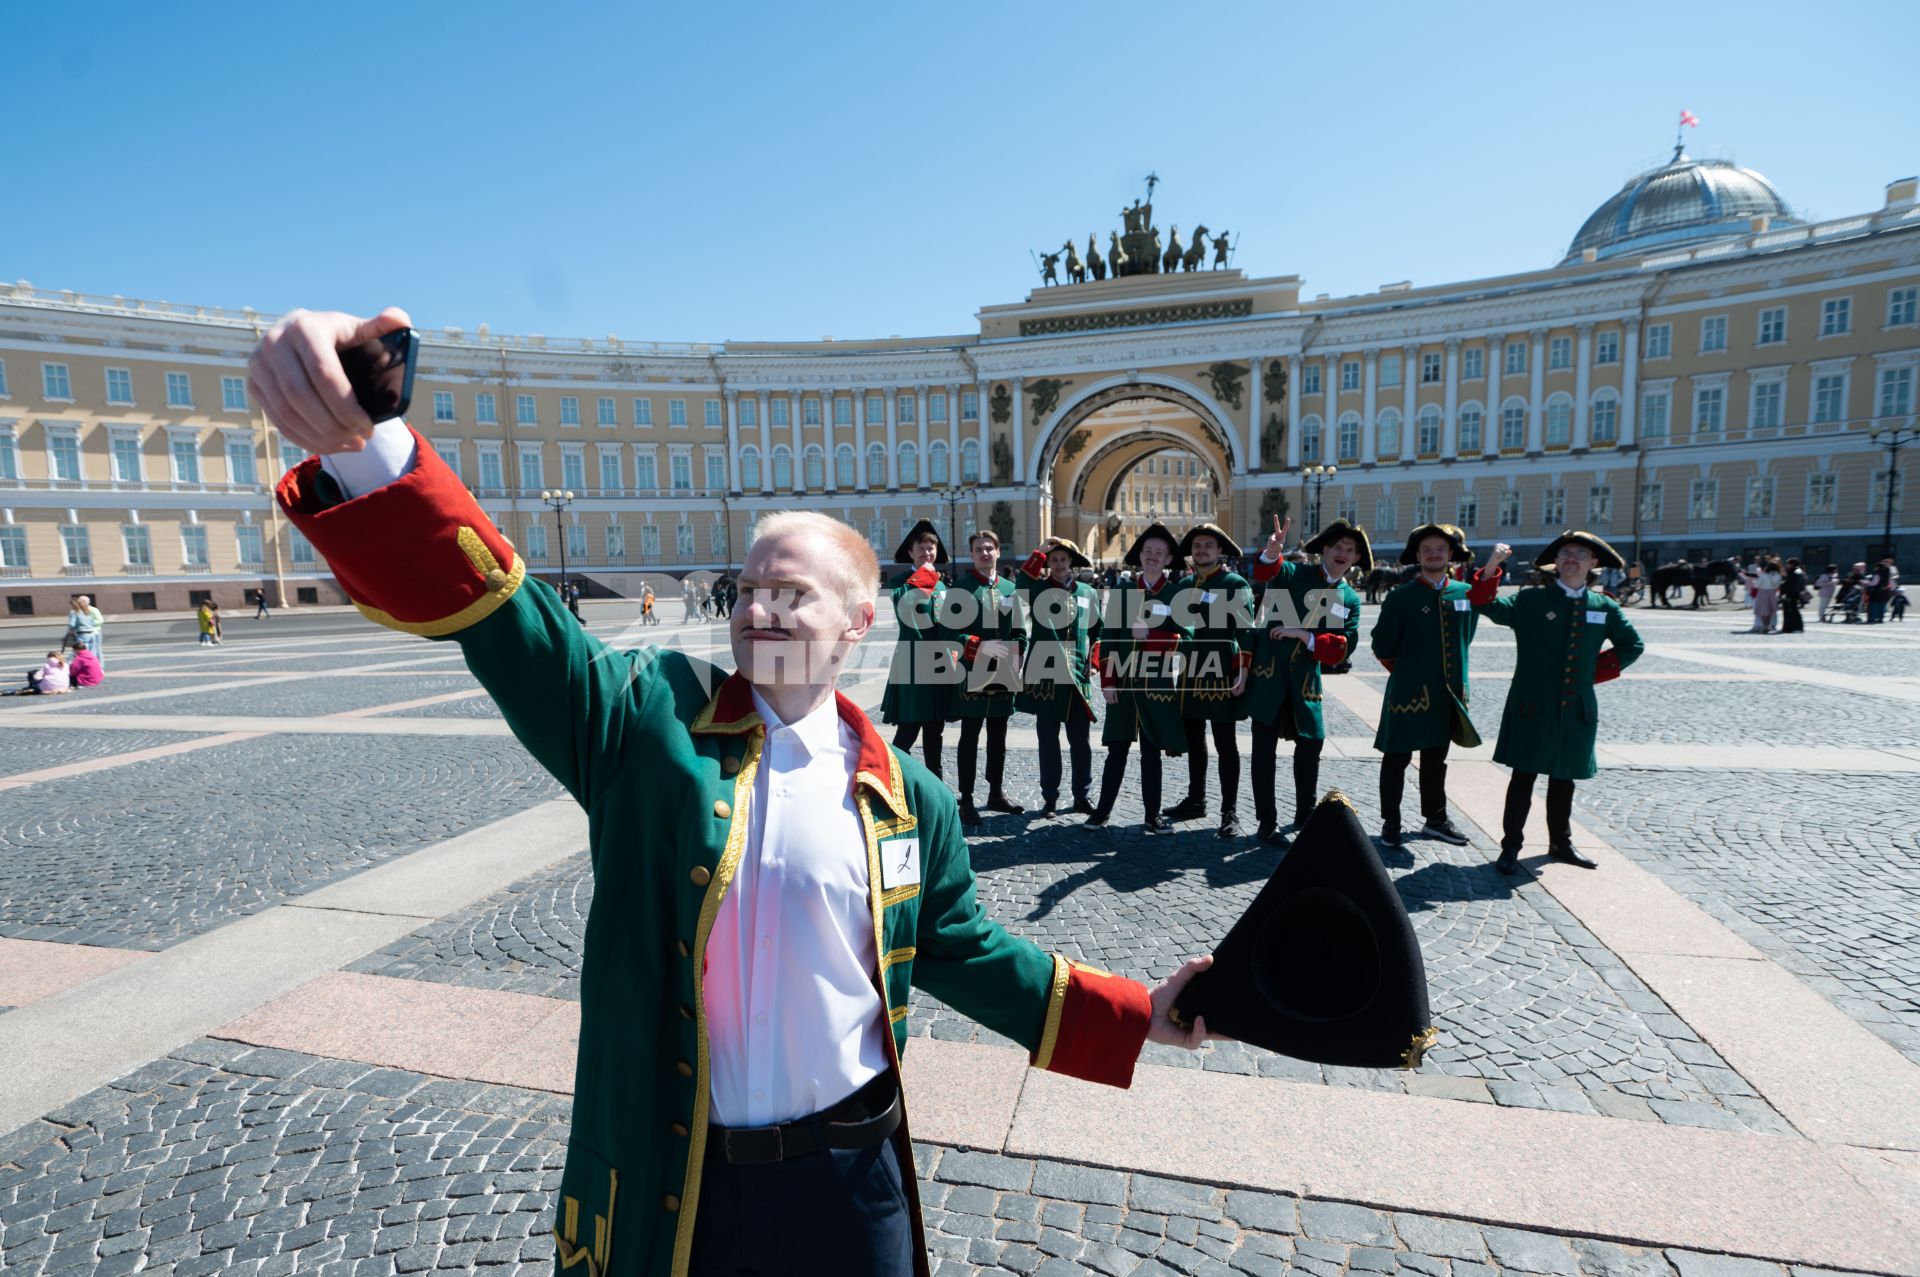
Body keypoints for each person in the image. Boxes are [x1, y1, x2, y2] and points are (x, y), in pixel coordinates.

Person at [248, 304, 1220, 1277]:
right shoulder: (646, 719)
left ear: (857, 620)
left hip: (853, 1178)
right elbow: (512, 623)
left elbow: (966, 952)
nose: (759, 606)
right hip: (682, 1184)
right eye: (748, 585)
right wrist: (369, 443)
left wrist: (1139, 1012)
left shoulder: (909, 793)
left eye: (791, 591)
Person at [1471, 533, 1646, 875]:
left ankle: (1560, 843)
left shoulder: (1603, 606)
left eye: (1581, 554)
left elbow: (1632, 646)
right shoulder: (1532, 600)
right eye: (1566, 552)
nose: (1572, 558)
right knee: (1523, 779)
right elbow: (1485, 604)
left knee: (1564, 779)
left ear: (1593, 563)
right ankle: (1510, 847)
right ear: (1556, 561)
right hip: (1532, 705)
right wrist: (1492, 566)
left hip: (1576, 708)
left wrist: (1588, 674)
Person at [1244, 516, 1362, 847]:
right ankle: (1266, 823)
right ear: (1323, 549)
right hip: (1269, 678)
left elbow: (1341, 647)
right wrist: (1272, 552)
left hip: (1306, 684)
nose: (1342, 553)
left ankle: (1305, 816)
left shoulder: (1349, 598)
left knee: (1311, 746)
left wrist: (1302, 634)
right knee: (1263, 752)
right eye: (1337, 547)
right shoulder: (1298, 573)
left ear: (1355, 559)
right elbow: (1268, 572)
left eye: (1349, 550)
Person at [1369, 524, 1487, 849]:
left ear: (1451, 555)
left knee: (1436, 760)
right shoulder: (1401, 597)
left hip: (1447, 695)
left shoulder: (1465, 594)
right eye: (1427, 549)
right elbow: (1382, 646)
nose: (1434, 553)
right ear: (1418, 556)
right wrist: (1409, 674)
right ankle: (1390, 822)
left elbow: (1467, 637)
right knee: (1396, 759)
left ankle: (1435, 819)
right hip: (1407, 695)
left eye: (1440, 549)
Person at [1089, 523, 1188, 833]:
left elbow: (1188, 638)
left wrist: (1153, 636)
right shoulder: (1122, 590)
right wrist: (1107, 681)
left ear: (1169, 558)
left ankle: (1152, 816)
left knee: (1151, 753)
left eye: (1159, 553)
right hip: (1123, 684)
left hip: (1157, 685)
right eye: (1148, 552)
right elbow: (1109, 636)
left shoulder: (1176, 594)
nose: (1153, 557)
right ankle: (1101, 812)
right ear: (1139, 555)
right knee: (1116, 751)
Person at [1162, 523, 1255, 838]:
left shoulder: (1235, 583)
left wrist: (1242, 672)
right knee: (1194, 739)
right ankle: (1196, 799)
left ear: (1220, 551)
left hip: (1222, 672)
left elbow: (1246, 632)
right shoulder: (1184, 584)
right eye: (1197, 545)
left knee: (1225, 743)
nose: (1202, 550)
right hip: (1190, 671)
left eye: (1208, 546)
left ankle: (1229, 811)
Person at [940, 530, 1027, 826]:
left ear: (998, 552)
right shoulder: (961, 589)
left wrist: (1018, 654)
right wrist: (977, 645)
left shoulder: (1009, 588)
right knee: (970, 736)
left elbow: (1019, 630)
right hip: (972, 669)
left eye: (989, 548)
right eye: (979, 549)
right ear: (972, 554)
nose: (985, 553)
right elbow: (948, 632)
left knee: (999, 736)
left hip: (1003, 670)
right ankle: (967, 798)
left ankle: (996, 793)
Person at [1012, 536, 1101, 818]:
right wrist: (1039, 551)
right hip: (1045, 677)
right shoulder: (1037, 589)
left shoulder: (1088, 592)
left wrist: (1094, 660)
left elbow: (1099, 630)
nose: (1060, 565)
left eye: (1064, 560)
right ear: (1048, 564)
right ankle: (1050, 798)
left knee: (1081, 741)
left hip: (1077, 676)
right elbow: (1020, 584)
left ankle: (1081, 796)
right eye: (1054, 560)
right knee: (1048, 741)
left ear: (1071, 563)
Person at [880, 521, 954, 784]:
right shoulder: (901, 581)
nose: (926, 552)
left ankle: (936, 784)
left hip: (938, 663)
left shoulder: (942, 585)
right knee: (908, 728)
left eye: (931, 547)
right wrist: (925, 577)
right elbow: (903, 604)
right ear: (910, 553)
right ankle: (893, 781)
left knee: (935, 729)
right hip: (911, 663)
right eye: (921, 548)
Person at [1745, 557, 1782, 634]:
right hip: (1773, 593)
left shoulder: (1763, 575)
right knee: (1770, 611)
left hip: (1763, 592)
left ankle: (1764, 626)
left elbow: (1756, 585)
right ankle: (1768, 625)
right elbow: (1777, 585)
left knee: (1762, 611)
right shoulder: (1778, 575)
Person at [67, 593, 103, 662]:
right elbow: (92, 621)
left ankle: (72, 666)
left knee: (80, 652)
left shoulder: (74, 612)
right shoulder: (87, 611)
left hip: (82, 634)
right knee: (92, 653)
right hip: (92, 633)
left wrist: (71, 629)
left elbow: (72, 625)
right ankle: (94, 667)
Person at [1780, 558, 1808, 634]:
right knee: (1791, 611)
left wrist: (1782, 587)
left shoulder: (1796, 572)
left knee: (1793, 611)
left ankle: (1795, 627)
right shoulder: (1797, 571)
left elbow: (1791, 584)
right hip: (1793, 594)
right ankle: (1790, 627)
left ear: (1792, 564)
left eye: (1788, 564)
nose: (1787, 566)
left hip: (1792, 594)